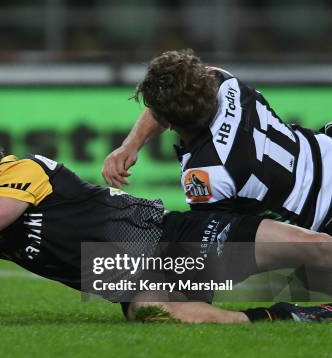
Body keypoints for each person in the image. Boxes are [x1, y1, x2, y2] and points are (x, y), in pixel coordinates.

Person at [0, 130, 332, 324]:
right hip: (130, 276)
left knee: (309, 251)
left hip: (171, 235)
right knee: (150, 310)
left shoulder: (25, 172)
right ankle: (291, 314)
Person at [102, 49, 332, 235]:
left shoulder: (206, 172)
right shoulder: (223, 81)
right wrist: (130, 145)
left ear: (170, 124)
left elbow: (218, 241)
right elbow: (173, 99)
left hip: (321, 214)